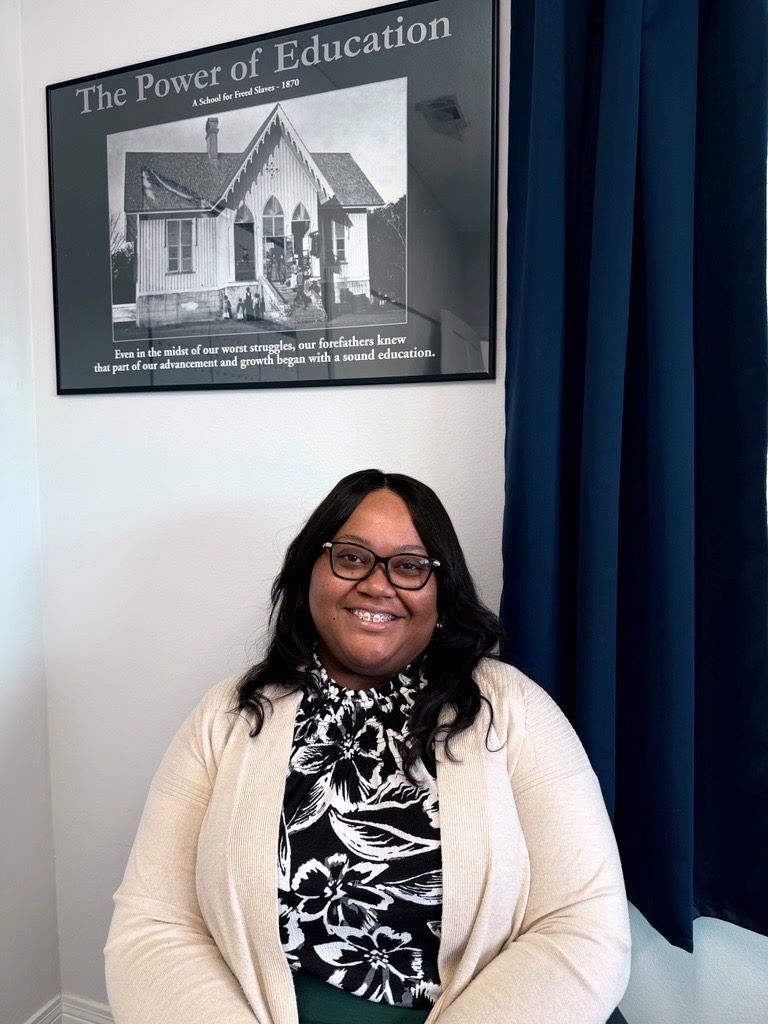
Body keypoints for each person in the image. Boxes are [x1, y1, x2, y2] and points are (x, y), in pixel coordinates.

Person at [104, 470, 631, 1024]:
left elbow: (582, 923)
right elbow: (153, 923)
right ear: (311, 570)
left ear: (441, 592)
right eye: (352, 557)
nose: (378, 585)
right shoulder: (227, 715)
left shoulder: (515, 711)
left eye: (409, 566)